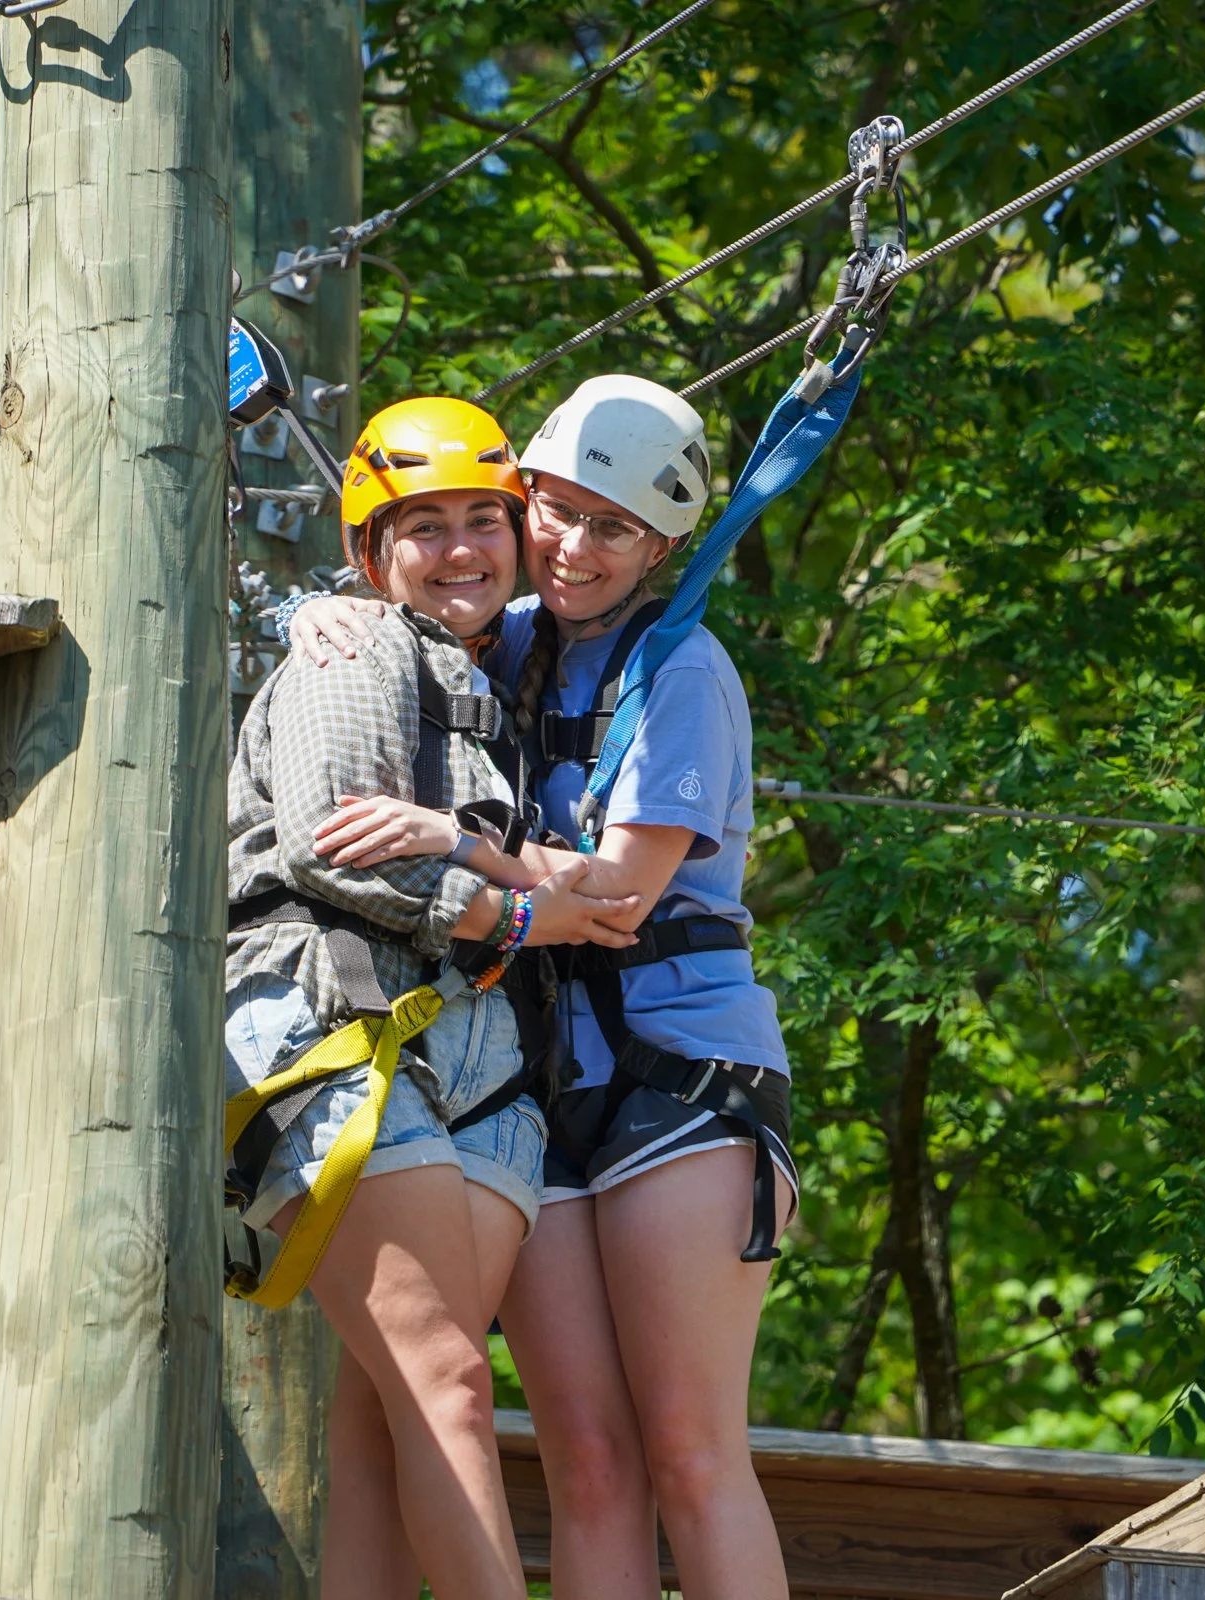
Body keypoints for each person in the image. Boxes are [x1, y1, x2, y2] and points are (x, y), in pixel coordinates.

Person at [293, 375, 797, 1600]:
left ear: (663, 546)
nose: (573, 546)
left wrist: (452, 840)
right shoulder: (508, 641)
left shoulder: (683, 676)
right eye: (557, 512)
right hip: (533, 1081)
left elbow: (620, 899)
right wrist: (322, 613)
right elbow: (407, 602)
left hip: (679, 1072)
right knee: (582, 1454)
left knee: (689, 1449)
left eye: (611, 528)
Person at [226, 395, 640, 1600]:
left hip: (482, 1057)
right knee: (449, 1384)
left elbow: (604, 896)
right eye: (424, 528)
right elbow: (331, 848)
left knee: (389, 1404)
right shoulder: (353, 650)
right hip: (340, 1021)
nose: (460, 549)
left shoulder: (511, 679)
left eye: (482, 521)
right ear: (372, 553)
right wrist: (522, 911)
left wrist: (528, 895)